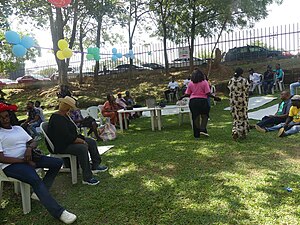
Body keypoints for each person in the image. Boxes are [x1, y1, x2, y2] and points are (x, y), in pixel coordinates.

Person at [0, 102, 77, 224]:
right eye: (1, 118)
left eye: (6, 116)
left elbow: (33, 141)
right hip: (11, 165)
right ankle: (59, 212)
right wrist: (24, 161)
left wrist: (29, 149)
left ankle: (40, 191)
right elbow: (2, 158)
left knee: (56, 163)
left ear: (10, 116)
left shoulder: (18, 128)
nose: (5, 119)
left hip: (29, 157)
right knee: (34, 178)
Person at [48, 96, 108, 186]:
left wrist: (81, 138)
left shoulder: (65, 116)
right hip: (62, 145)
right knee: (82, 148)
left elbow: (72, 132)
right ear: (67, 107)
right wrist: (79, 141)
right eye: (70, 108)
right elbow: (65, 136)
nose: (71, 110)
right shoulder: (57, 119)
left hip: (69, 141)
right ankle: (87, 177)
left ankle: (95, 165)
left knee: (91, 141)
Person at [180, 68, 221, 139]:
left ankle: (196, 134)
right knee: (205, 115)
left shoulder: (190, 83)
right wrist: (215, 98)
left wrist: (181, 97)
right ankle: (202, 129)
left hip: (193, 101)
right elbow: (207, 93)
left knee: (195, 117)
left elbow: (187, 94)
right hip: (202, 101)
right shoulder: (204, 82)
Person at [228, 68, 250, 140]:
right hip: (242, 102)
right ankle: (240, 132)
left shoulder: (231, 80)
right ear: (241, 73)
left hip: (233, 102)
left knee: (236, 117)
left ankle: (235, 130)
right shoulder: (244, 80)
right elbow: (247, 89)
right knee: (242, 117)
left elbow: (229, 88)